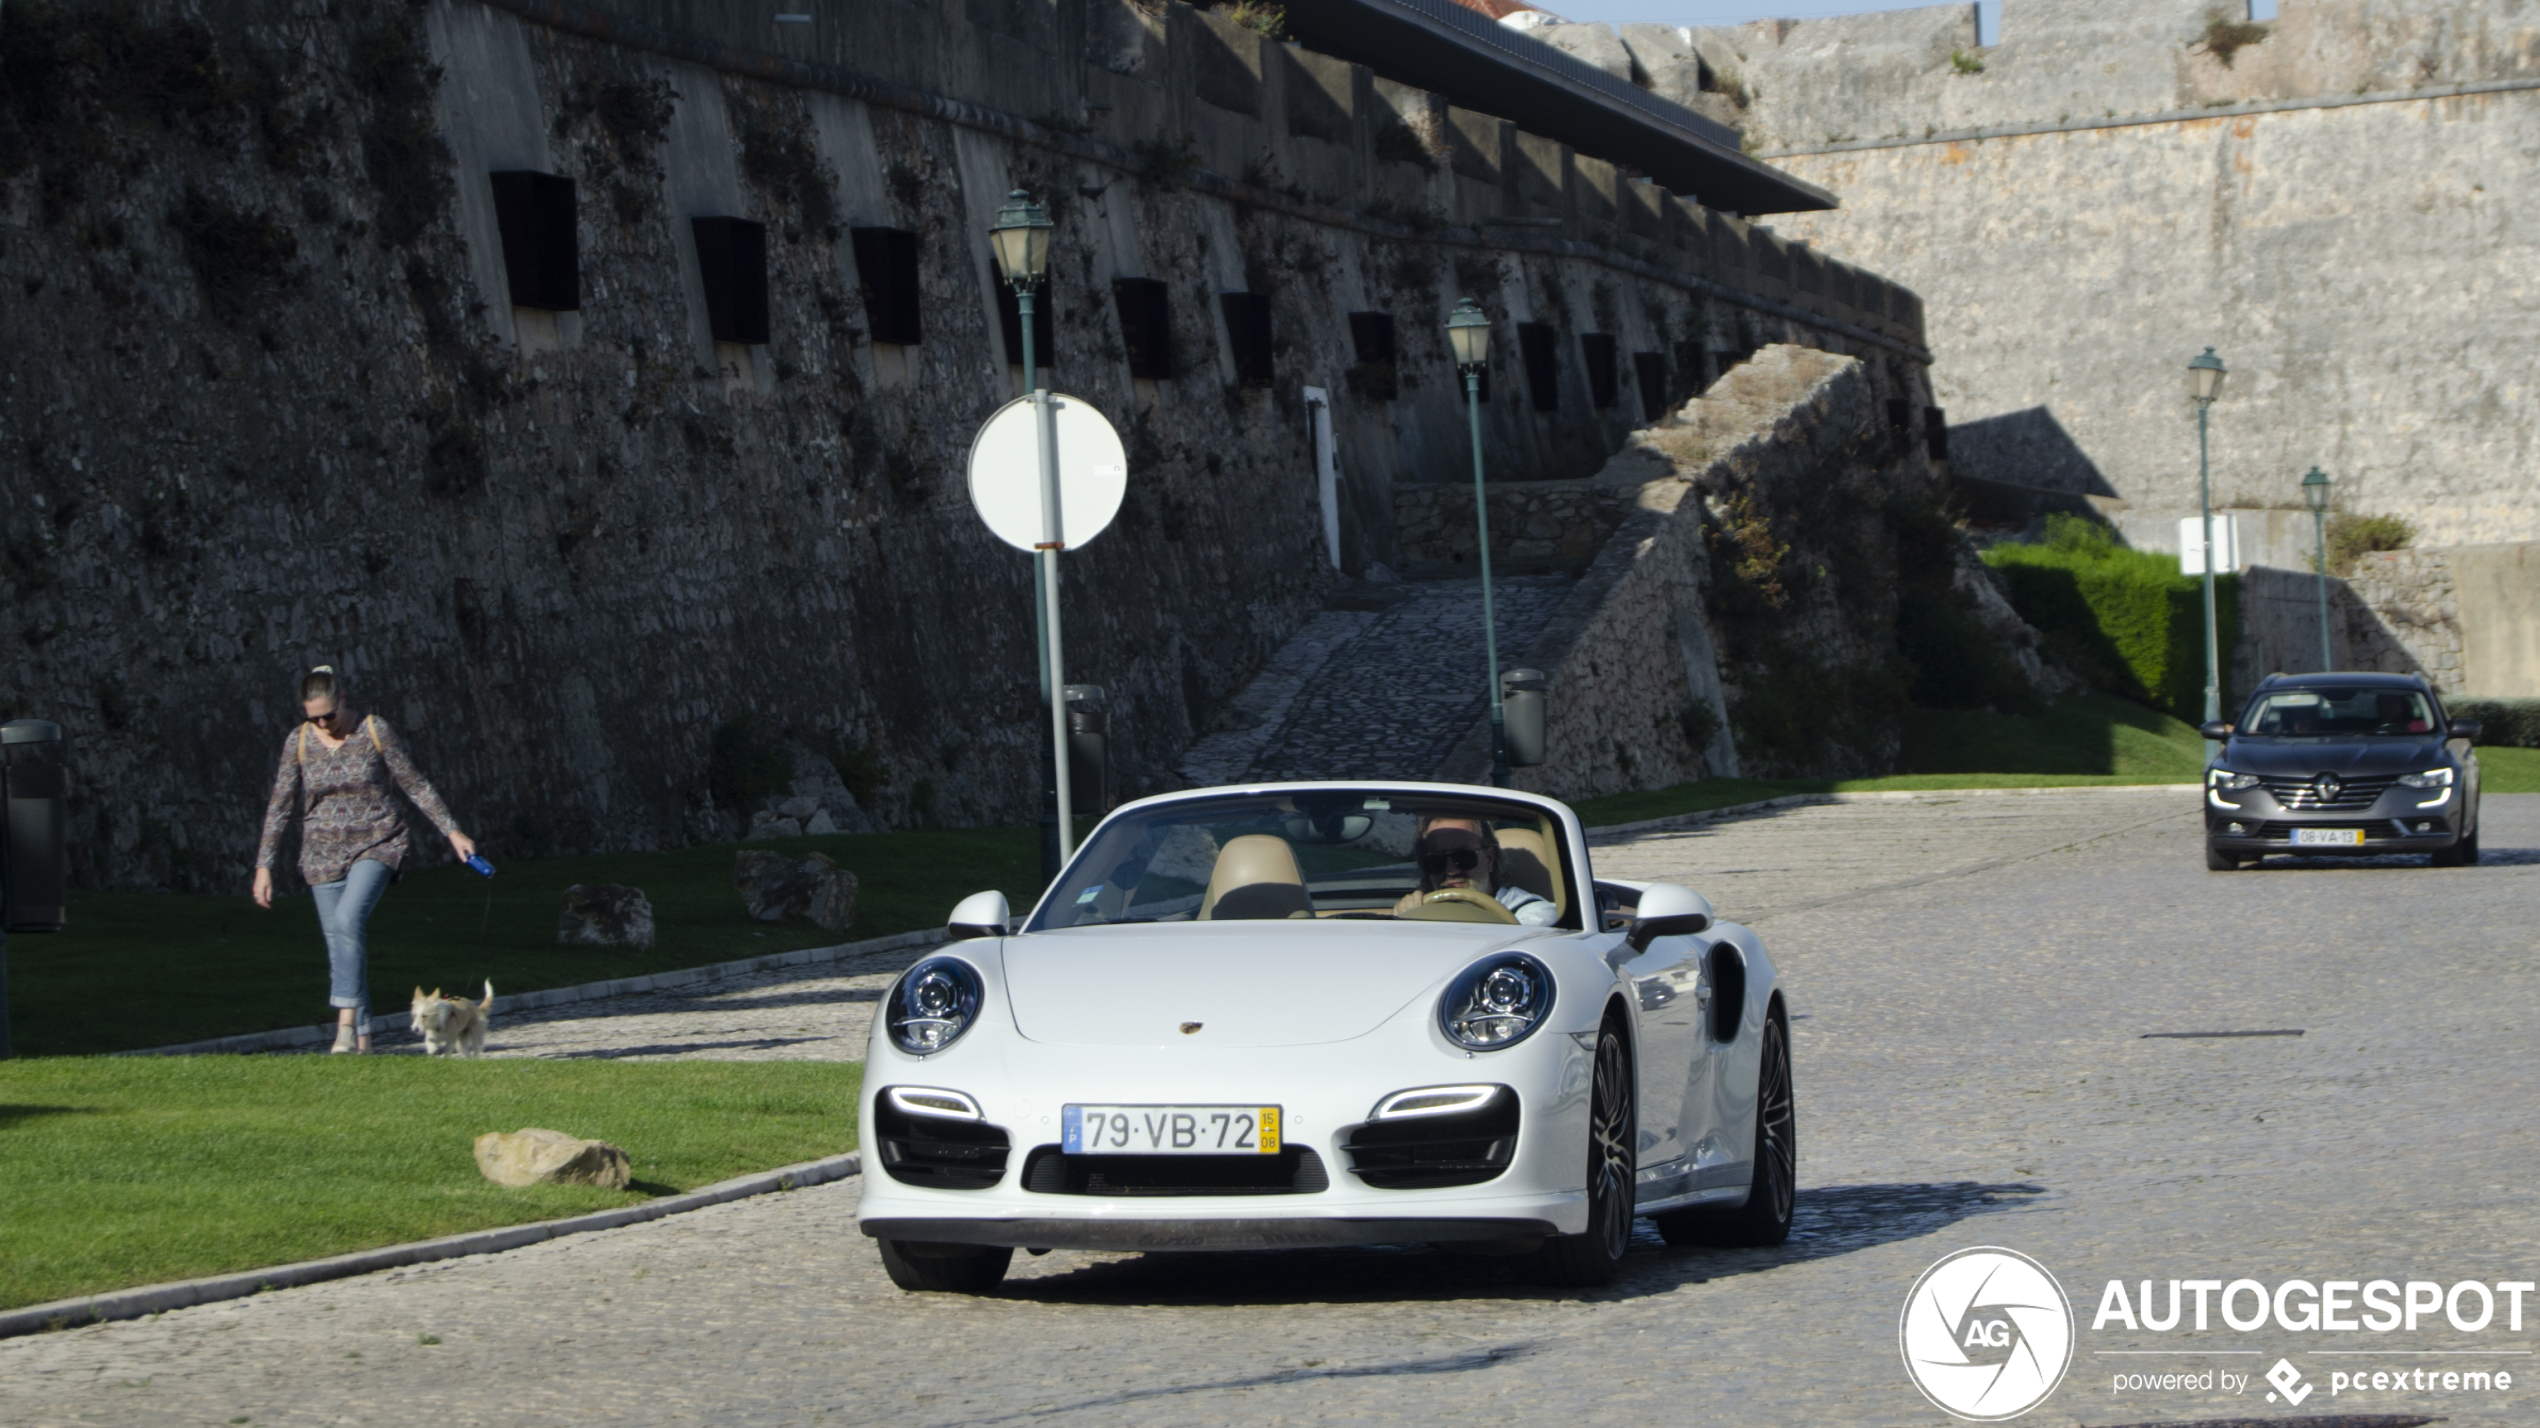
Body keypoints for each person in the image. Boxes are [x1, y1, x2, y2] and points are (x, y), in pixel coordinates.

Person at [253, 666, 476, 1053]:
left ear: (343, 699)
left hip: (377, 841)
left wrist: (452, 830)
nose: (323, 723)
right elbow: (280, 803)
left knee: (347, 920)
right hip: (320, 853)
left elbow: (414, 782)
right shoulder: (300, 740)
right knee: (340, 942)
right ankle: (364, 1040)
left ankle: (343, 1026)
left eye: (329, 715)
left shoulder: (374, 729)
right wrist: (263, 865)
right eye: (314, 717)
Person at [1391, 816, 1558, 925]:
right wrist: (1404, 924)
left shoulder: (1533, 914)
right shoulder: (1415, 914)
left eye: (1464, 857)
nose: (1451, 870)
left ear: (1489, 859)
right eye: (1436, 861)